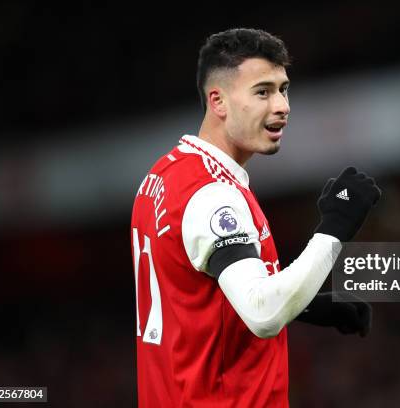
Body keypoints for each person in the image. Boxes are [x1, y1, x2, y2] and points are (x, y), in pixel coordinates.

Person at [130, 28, 382, 407]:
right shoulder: (212, 195)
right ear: (218, 101)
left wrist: (309, 304)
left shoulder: (164, 175)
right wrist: (336, 225)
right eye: (262, 92)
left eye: (283, 89)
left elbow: (197, 292)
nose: (282, 105)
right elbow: (263, 313)